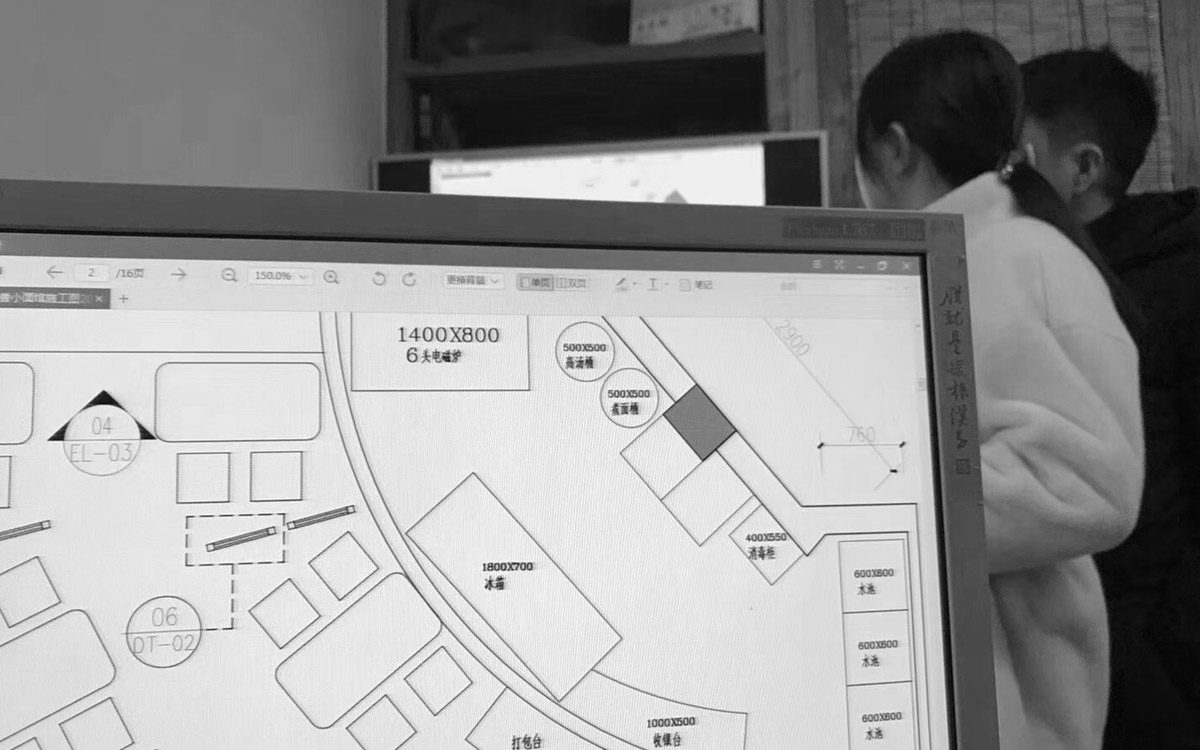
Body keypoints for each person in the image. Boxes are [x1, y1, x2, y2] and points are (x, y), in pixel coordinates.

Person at [855, 31, 1145, 750]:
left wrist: (874, 497)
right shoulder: (959, 255)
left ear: (893, 149)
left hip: (1011, 694)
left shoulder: (1013, 256)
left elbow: (1090, 483)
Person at [1021, 47, 1200, 747]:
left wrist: (1157, 649)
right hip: (1071, 640)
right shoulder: (1040, 274)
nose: (997, 181)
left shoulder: (1175, 278)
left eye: (1017, 157)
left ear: (1084, 168)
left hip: (1153, 667)